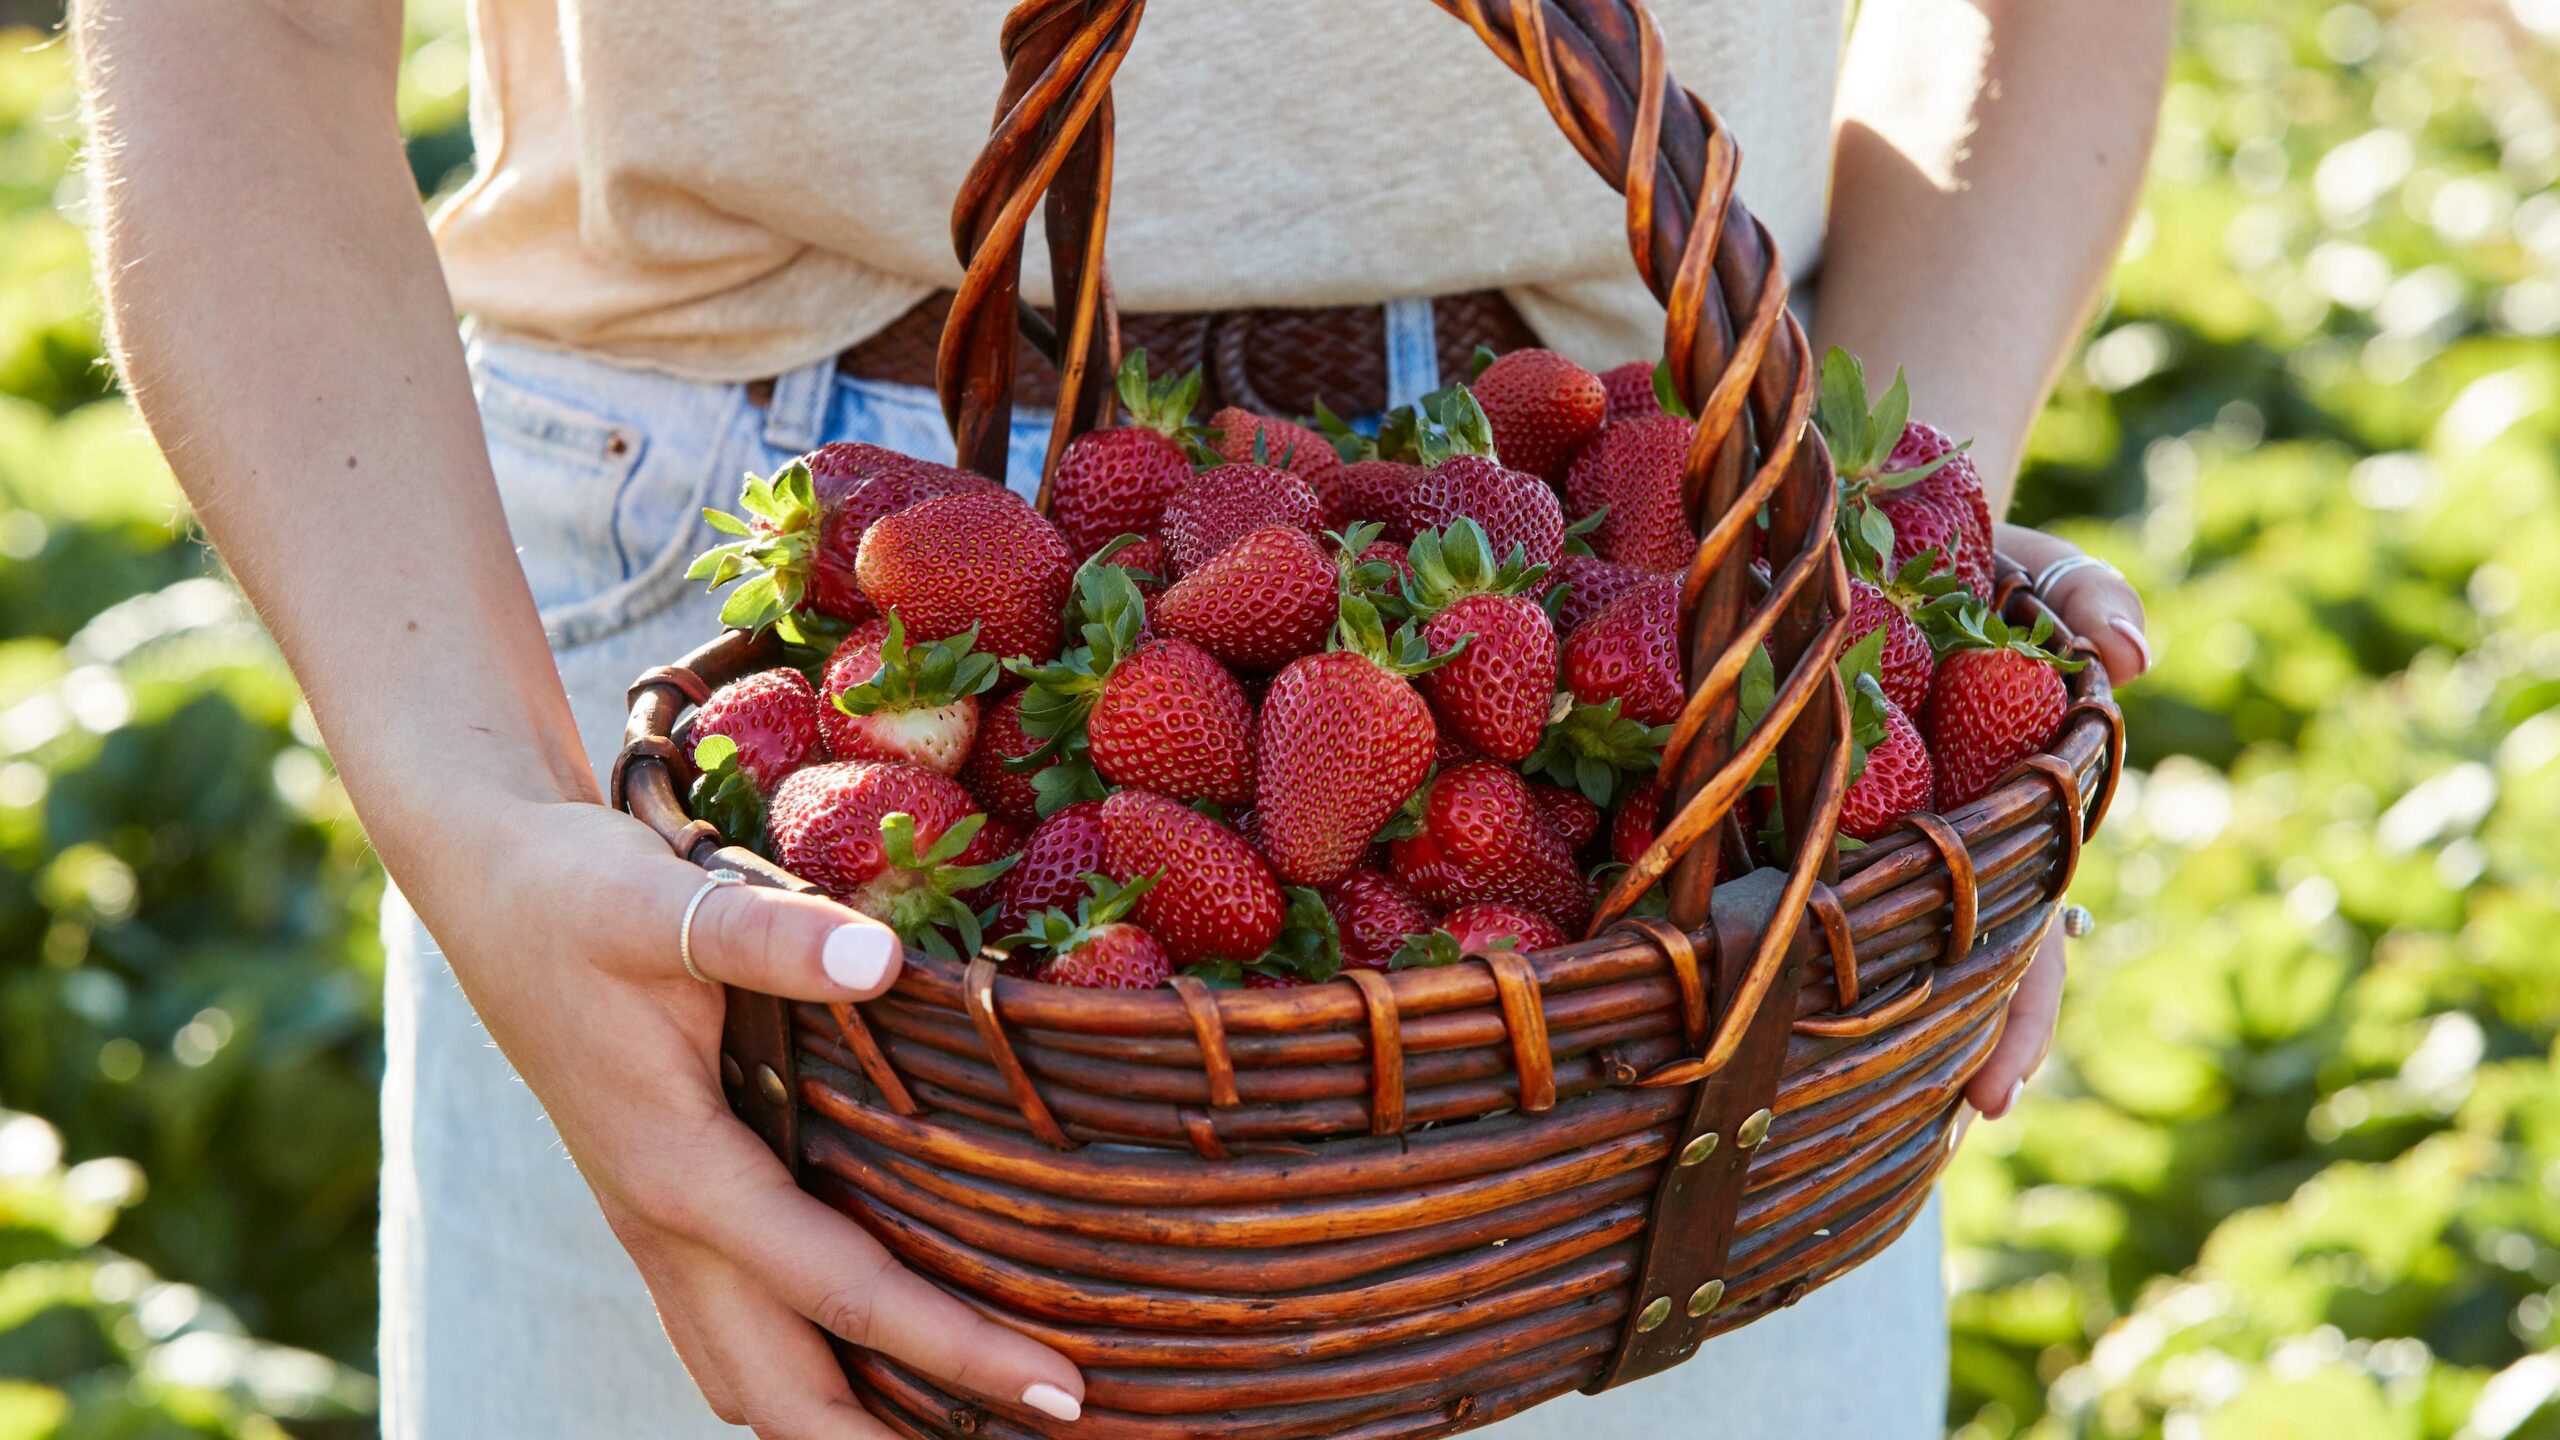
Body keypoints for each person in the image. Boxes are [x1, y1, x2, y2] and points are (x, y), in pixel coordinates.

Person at [71, 1, 2166, 1436]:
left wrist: (1856, 578)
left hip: (1661, 554)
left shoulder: (1696, 628)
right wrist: (468, 794)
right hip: (739, 630)